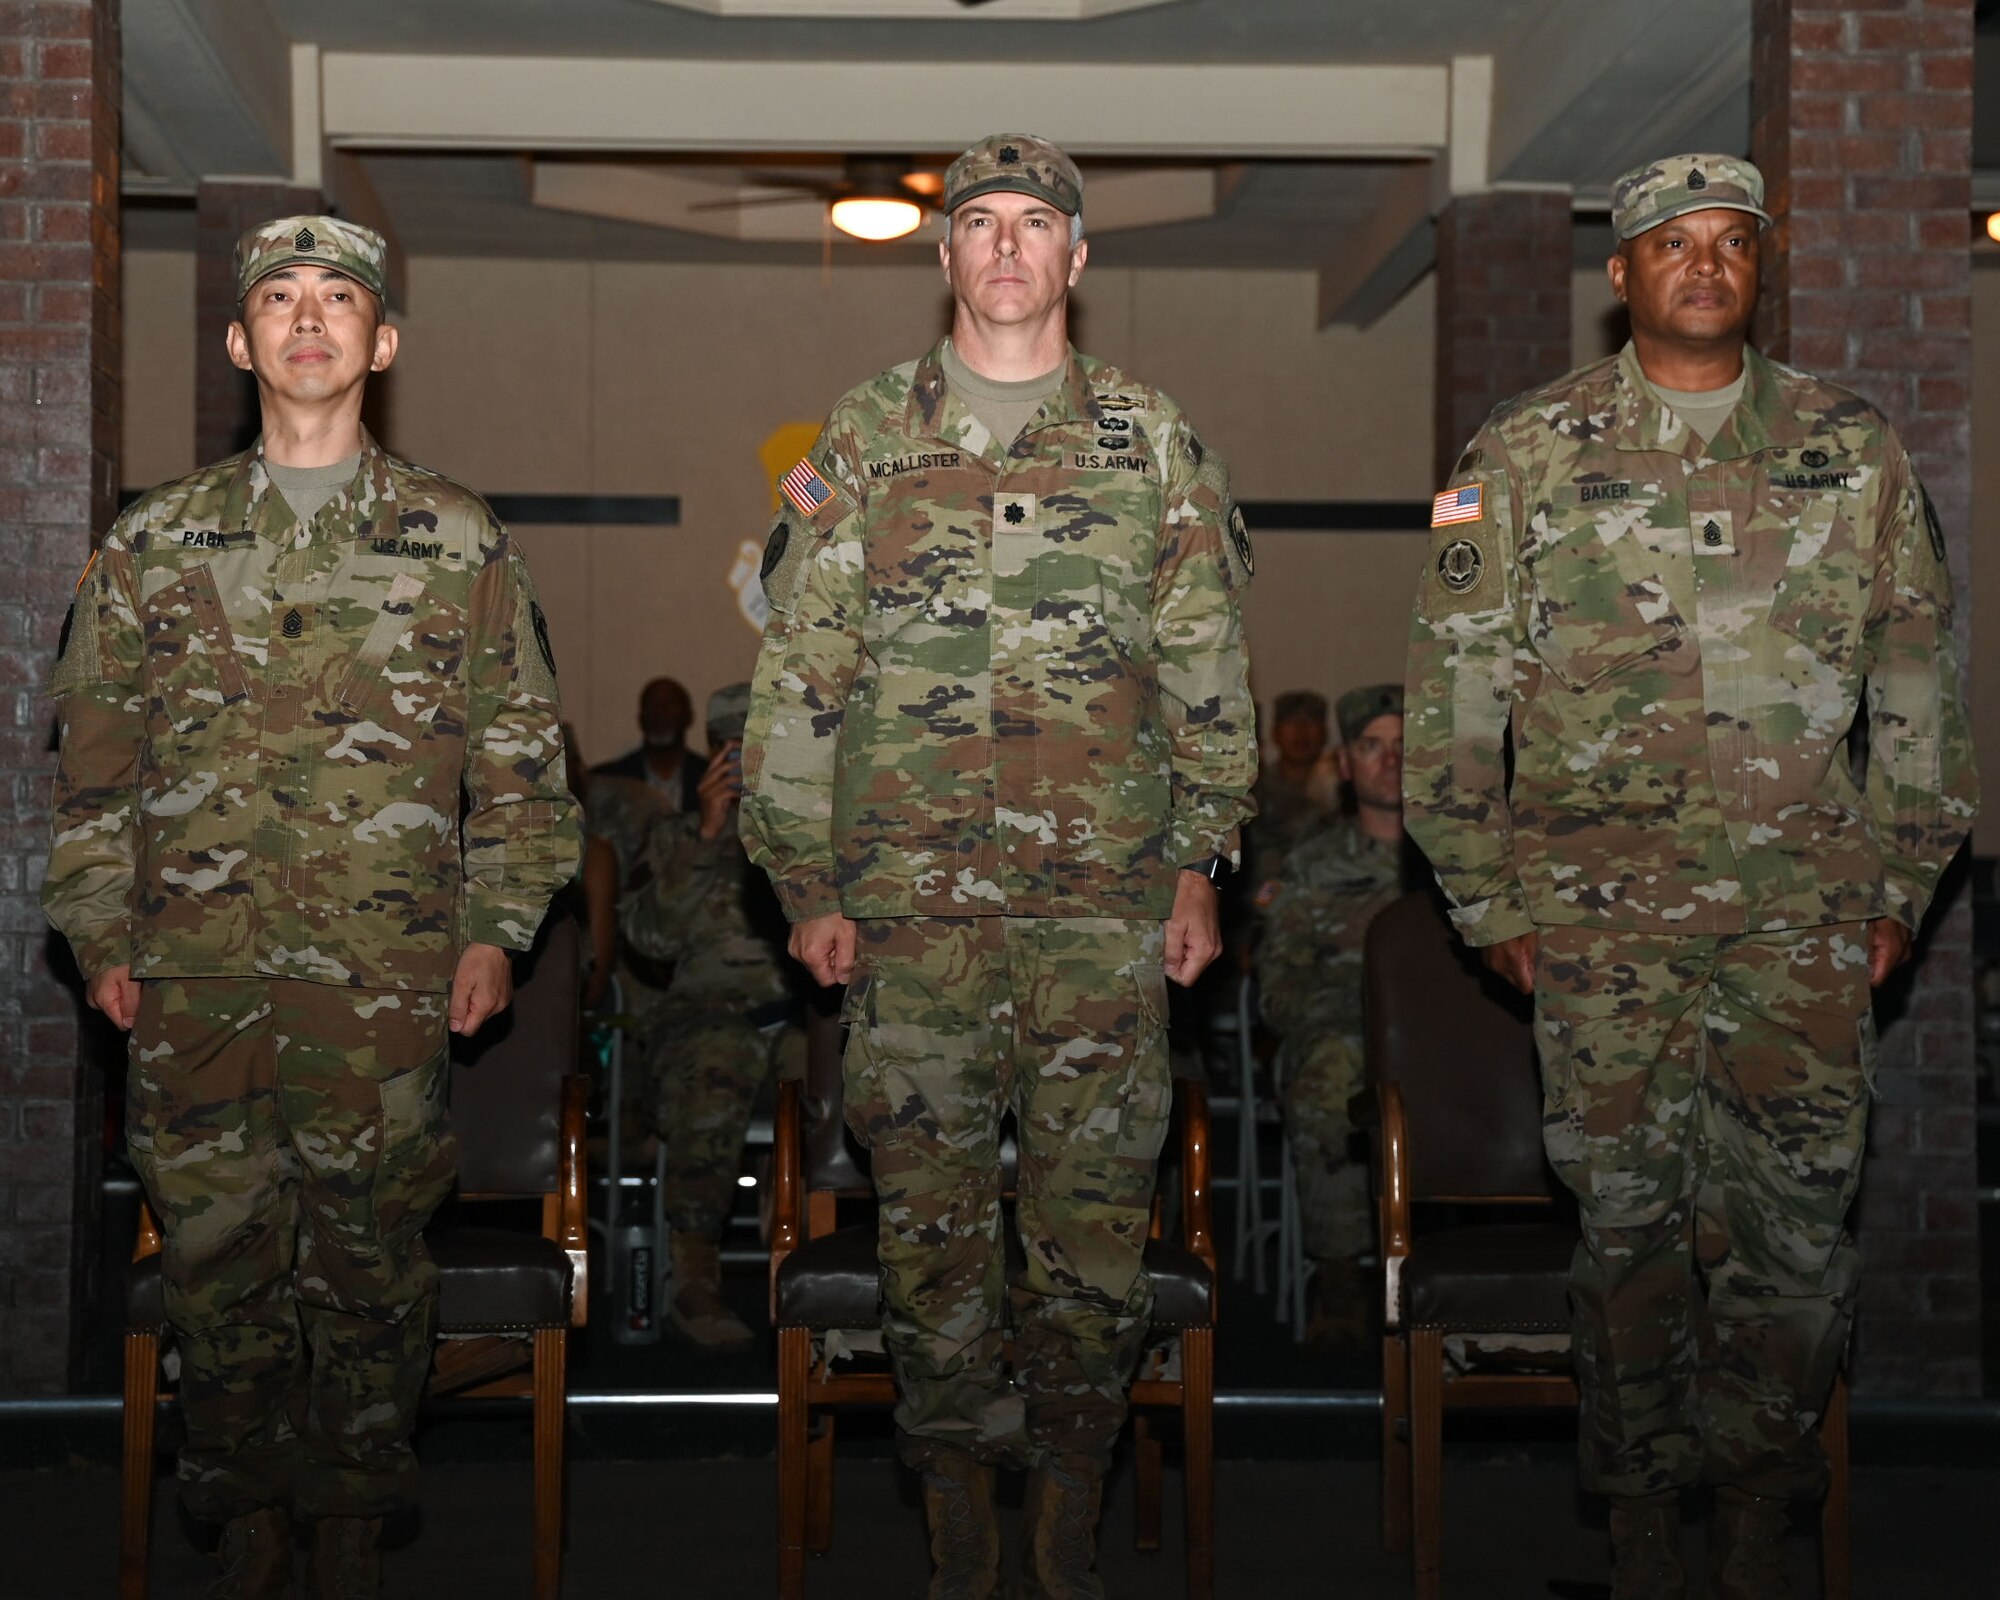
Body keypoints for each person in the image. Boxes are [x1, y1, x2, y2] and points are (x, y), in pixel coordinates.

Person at [1402, 154, 1977, 1600]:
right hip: (1602, 939)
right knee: (1629, 1242)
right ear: (1622, 274)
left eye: (1733, 243)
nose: (1705, 264)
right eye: (1674, 243)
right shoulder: (1525, 452)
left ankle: (1759, 1527)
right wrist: (1493, 907)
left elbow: (1920, 691)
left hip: (1805, 929)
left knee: (1795, 1249)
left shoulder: (1854, 451)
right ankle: (1646, 1523)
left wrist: (1899, 895)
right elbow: (1452, 705)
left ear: (1760, 267)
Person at [741, 132, 1255, 1600]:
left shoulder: (1149, 438)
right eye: (982, 223)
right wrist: (806, 885)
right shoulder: (864, 437)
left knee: (1096, 1233)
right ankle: (960, 1521)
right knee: (931, 1233)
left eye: (1039, 223)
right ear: (946, 256)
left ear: (1079, 260)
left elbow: (1209, 668)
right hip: (912, 912)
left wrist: (1202, 863)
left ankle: (1068, 1524)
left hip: (1106, 906)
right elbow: (803, 678)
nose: (1011, 246)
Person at [40, 215, 580, 1600]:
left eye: (338, 298)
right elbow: (94, 784)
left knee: (368, 1275)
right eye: (278, 298)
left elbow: (524, 775)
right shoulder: (152, 545)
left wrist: (491, 931)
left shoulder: (457, 543)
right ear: (239, 342)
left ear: (382, 343)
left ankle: (348, 1526)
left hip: (379, 986)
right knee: (215, 1281)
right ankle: (242, 1527)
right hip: (193, 989)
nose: (308, 319)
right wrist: (104, 940)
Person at [619, 683, 802, 1349]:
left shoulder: (808, 833)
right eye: (733, 749)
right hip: (701, 1019)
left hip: (800, 1018)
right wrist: (707, 835)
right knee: (717, 1061)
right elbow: (647, 941)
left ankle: (832, 1260)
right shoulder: (672, 837)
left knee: (859, 1064)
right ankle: (694, 1275)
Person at [1254, 684, 1412, 1348]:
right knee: (1331, 1069)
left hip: (1445, 1039)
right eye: (1372, 747)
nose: (1390, 762)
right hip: (1342, 1034)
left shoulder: (1465, 865)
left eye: (1405, 748)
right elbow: (1277, 987)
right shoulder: (1313, 867)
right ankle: (1343, 1278)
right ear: (1345, 763)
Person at [1246, 689, 1340, 910]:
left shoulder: (1345, 789)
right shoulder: (1255, 791)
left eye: (1310, 722)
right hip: (1265, 901)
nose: (1301, 731)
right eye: (1291, 723)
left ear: (1325, 733)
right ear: (1275, 733)